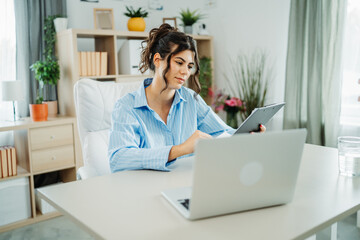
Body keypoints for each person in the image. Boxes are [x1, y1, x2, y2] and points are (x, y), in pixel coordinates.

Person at [108, 23, 265, 173]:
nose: (185, 72)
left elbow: (223, 133)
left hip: (187, 185)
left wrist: (246, 135)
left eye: (189, 66)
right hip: (144, 189)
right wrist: (180, 150)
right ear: (157, 60)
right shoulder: (127, 106)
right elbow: (118, 159)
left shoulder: (191, 99)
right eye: (179, 62)